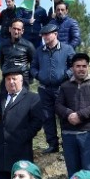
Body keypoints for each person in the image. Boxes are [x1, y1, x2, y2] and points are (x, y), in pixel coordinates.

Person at [0, 65, 44, 179]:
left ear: (21, 80)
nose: (11, 82)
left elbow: (37, 122)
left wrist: (23, 137)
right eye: (8, 79)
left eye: (14, 79)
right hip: (2, 156)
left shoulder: (32, 98)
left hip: (20, 153)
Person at [55, 52, 90, 176]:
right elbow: (57, 105)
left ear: (88, 67)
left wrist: (80, 115)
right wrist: (69, 114)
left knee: (89, 171)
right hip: (68, 135)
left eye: (84, 66)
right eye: (78, 66)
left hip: (88, 133)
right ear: (72, 68)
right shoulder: (65, 85)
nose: (81, 69)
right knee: (73, 173)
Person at [33, 22, 75, 154]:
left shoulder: (68, 49)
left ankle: (67, 145)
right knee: (47, 117)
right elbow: (33, 67)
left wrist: (65, 75)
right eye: (43, 35)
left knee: (64, 116)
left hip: (62, 89)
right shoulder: (39, 51)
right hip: (44, 90)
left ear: (55, 34)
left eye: (47, 34)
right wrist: (38, 75)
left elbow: (74, 66)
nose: (44, 36)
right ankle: (52, 145)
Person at [0, 19, 35, 85]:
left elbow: (34, 63)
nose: (16, 31)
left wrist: (29, 78)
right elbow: (1, 63)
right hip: (7, 80)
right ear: (10, 29)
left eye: (19, 29)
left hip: (23, 80)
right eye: (14, 28)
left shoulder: (29, 45)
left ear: (22, 31)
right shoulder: (3, 45)